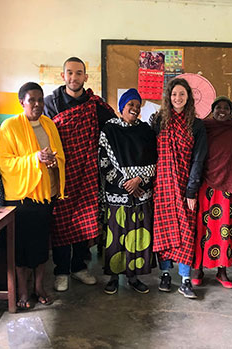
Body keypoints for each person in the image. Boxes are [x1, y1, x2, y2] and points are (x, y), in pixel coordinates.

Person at [43, 57, 117, 292]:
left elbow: (114, 127)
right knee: (62, 220)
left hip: (86, 171)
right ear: (63, 76)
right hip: (61, 173)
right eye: (70, 73)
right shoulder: (50, 104)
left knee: (84, 218)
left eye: (79, 73)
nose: (74, 78)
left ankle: (79, 267)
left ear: (86, 77)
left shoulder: (95, 105)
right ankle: (61, 270)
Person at [0, 82, 65, 309]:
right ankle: (23, 291)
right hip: (21, 197)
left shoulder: (49, 125)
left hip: (46, 195)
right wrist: (35, 158)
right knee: (20, 247)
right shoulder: (10, 126)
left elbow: (60, 155)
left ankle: (38, 287)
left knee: (40, 245)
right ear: (21, 102)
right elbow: (5, 162)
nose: (37, 105)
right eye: (31, 100)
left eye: (40, 100)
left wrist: (55, 162)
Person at [151, 78, 207, 299]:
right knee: (164, 231)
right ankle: (165, 273)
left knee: (186, 232)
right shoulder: (158, 121)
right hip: (162, 186)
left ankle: (185, 279)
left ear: (188, 97)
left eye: (182, 94)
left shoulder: (196, 124)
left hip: (185, 186)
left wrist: (191, 190)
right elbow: (151, 153)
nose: (178, 98)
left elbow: (198, 159)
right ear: (168, 96)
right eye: (174, 94)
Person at [99, 88, 157, 295]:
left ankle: (133, 277)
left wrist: (139, 180)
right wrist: (126, 184)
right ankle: (114, 277)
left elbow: (154, 161)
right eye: (130, 104)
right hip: (117, 193)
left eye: (137, 105)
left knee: (137, 235)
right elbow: (104, 161)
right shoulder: (109, 130)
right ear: (121, 107)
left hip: (141, 193)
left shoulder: (146, 131)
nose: (134, 108)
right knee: (116, 236)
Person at [191, 96, 232, 289]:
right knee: (203, 228)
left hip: (228, 189)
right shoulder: (204, 127)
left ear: (231, 112)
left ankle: (222, 272)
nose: (222, 111)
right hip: (206, 186)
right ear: (212, 109)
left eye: (226, 108)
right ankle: (198, 269)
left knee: (225, 229)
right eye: (218, 107)